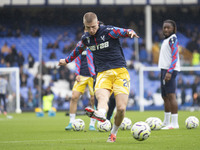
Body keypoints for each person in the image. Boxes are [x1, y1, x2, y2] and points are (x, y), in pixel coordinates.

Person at [58, 12, 139, 142]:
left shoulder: (108, 31)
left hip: (120, 72)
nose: (91, 30)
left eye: (94, 27)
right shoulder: (86, 39)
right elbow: (77, 50)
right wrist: (66, 61)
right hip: (103, 73)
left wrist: (130, 32)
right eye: (88, 27)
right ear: (84, 26)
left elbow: (123, 31)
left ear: (98, 23)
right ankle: (100, 114)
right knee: (102, 97)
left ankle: (113, 133)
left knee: (121, 108)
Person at [65, 46, 97, 131]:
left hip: (93, 75)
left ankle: (92, 124)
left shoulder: (95, 44)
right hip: (81, 75)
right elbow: (78, 60)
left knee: (93, 99)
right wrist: (77, 73)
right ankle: (71, 121)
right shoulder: (81, 46)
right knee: (74, 97)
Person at [158, 20, 180, 129]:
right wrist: (162, 71)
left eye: (168, 28)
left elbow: (175, 56)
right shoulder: (166, 40)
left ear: (173, 29)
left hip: (170, 70)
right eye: (164, 27)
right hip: (164, 70)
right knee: (165, 96)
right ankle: (166, 122)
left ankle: (174, 123)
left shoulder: (173, 38)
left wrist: (169, 71)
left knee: (171, 95)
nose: (166, 29)